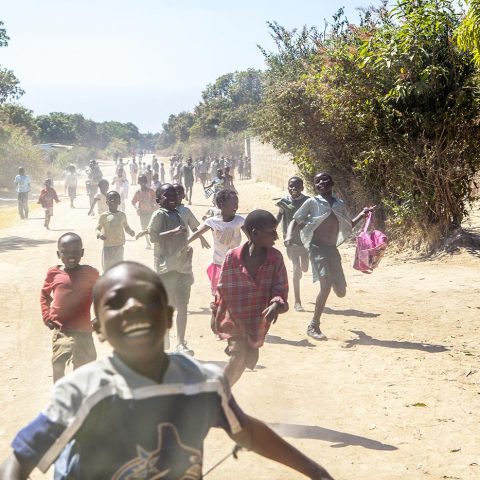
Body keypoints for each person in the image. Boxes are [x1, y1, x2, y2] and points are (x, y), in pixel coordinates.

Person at [0, 261, 334, 480]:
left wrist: (315, 470)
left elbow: (244, 430)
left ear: (169, 316)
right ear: (98, 329)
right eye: (116, 302)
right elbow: (20, 458)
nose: (132, 306)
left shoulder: (204, 382)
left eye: (146, 298)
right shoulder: (83, 391)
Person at [286, 172, 373, 341]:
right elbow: (295, 221)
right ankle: (313, 325)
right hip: (316, 248)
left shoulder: (339, 204)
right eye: (318, 181)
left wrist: (362, 215)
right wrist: (289, 235)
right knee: (325, 286)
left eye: (325, 179)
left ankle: (333, 279)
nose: (322, 182)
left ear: (332, 183)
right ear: (315, 186)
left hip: (332, 249)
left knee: (340, 292)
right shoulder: (312, 202)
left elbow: (347, 224)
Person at [213, 210, 288, 386]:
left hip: (256, 318)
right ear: (255, 233)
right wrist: (214, 311)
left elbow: (280, 287)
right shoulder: (232, 256)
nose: (276, 236)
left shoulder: (275, 258)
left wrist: (276, 304)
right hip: (232, 316)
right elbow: (222, 288)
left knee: (243, 359)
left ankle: (222, 393)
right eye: (271, 232)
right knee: (237, 354)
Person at [40, 233, 99, 382]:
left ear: (82, 253)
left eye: (75, 252)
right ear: (59, 254)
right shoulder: (54, 273)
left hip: (84, 330)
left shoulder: (91, 273)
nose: (70, 256)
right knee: (58, 364)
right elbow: (44, 296)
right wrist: (47, 316)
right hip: (62, 330)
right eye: (65, 252)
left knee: (85, 369)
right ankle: (60, 396)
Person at [147, 184, 194, 355]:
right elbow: (152, 237)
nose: (172, 197)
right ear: (159, 200)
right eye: (167, 195)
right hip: (166, 268)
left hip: (183, 267)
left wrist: (188, 250)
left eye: (174, 194)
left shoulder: (179, 214)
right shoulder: (159, 215)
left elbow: (184, 238)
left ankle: (181, 342)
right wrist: (173, 232)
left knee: (183, 305)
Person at [189, 189, 244, 296]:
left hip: (236, 264)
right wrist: (186, 243)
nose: (236, 206)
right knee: (219, 293)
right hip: (219, 263)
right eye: (232, 204)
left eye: (236, 203)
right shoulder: (212, 222)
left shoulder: (240, 221)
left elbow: (251, 236)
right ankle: (217, 310)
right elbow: (198, 232)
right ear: (221, 205)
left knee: (235, 292)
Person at [276, 176, 310, 312]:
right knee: (296, 269)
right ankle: (297, 301)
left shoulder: (308, 201)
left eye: (296, 186)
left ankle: (302, 267)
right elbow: (278, 217)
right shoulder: (284, 202)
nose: (293, 188)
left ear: (302, 188)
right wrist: (271, 229)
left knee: (305, 268)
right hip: (290, 240)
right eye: (291, 186)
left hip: (306, 240)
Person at [96, 191, 135, 271]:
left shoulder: (122, 215)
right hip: (108, 246)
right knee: (107, 267)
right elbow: (97, 228)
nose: (113, 201)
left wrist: (131, 232)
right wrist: (99, 234)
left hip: (119, 245)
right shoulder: (104, 216)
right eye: (110, 199)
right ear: (107, 202)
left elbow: (126, 226)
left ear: (119, 202)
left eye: (115, 199)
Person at [131, 174, 157, 249]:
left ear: (146, 181)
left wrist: (155, 207)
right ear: (138, 182)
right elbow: (133, 202)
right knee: (144, 228)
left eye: (144, 180)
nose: (142, 182)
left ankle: (154, 241)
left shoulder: (151, 191)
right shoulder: (138, 192)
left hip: (151, 213)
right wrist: (136, 209)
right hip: (142, 214)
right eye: (140, 180)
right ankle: (148, 243)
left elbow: (156, 201)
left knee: (152, 228)